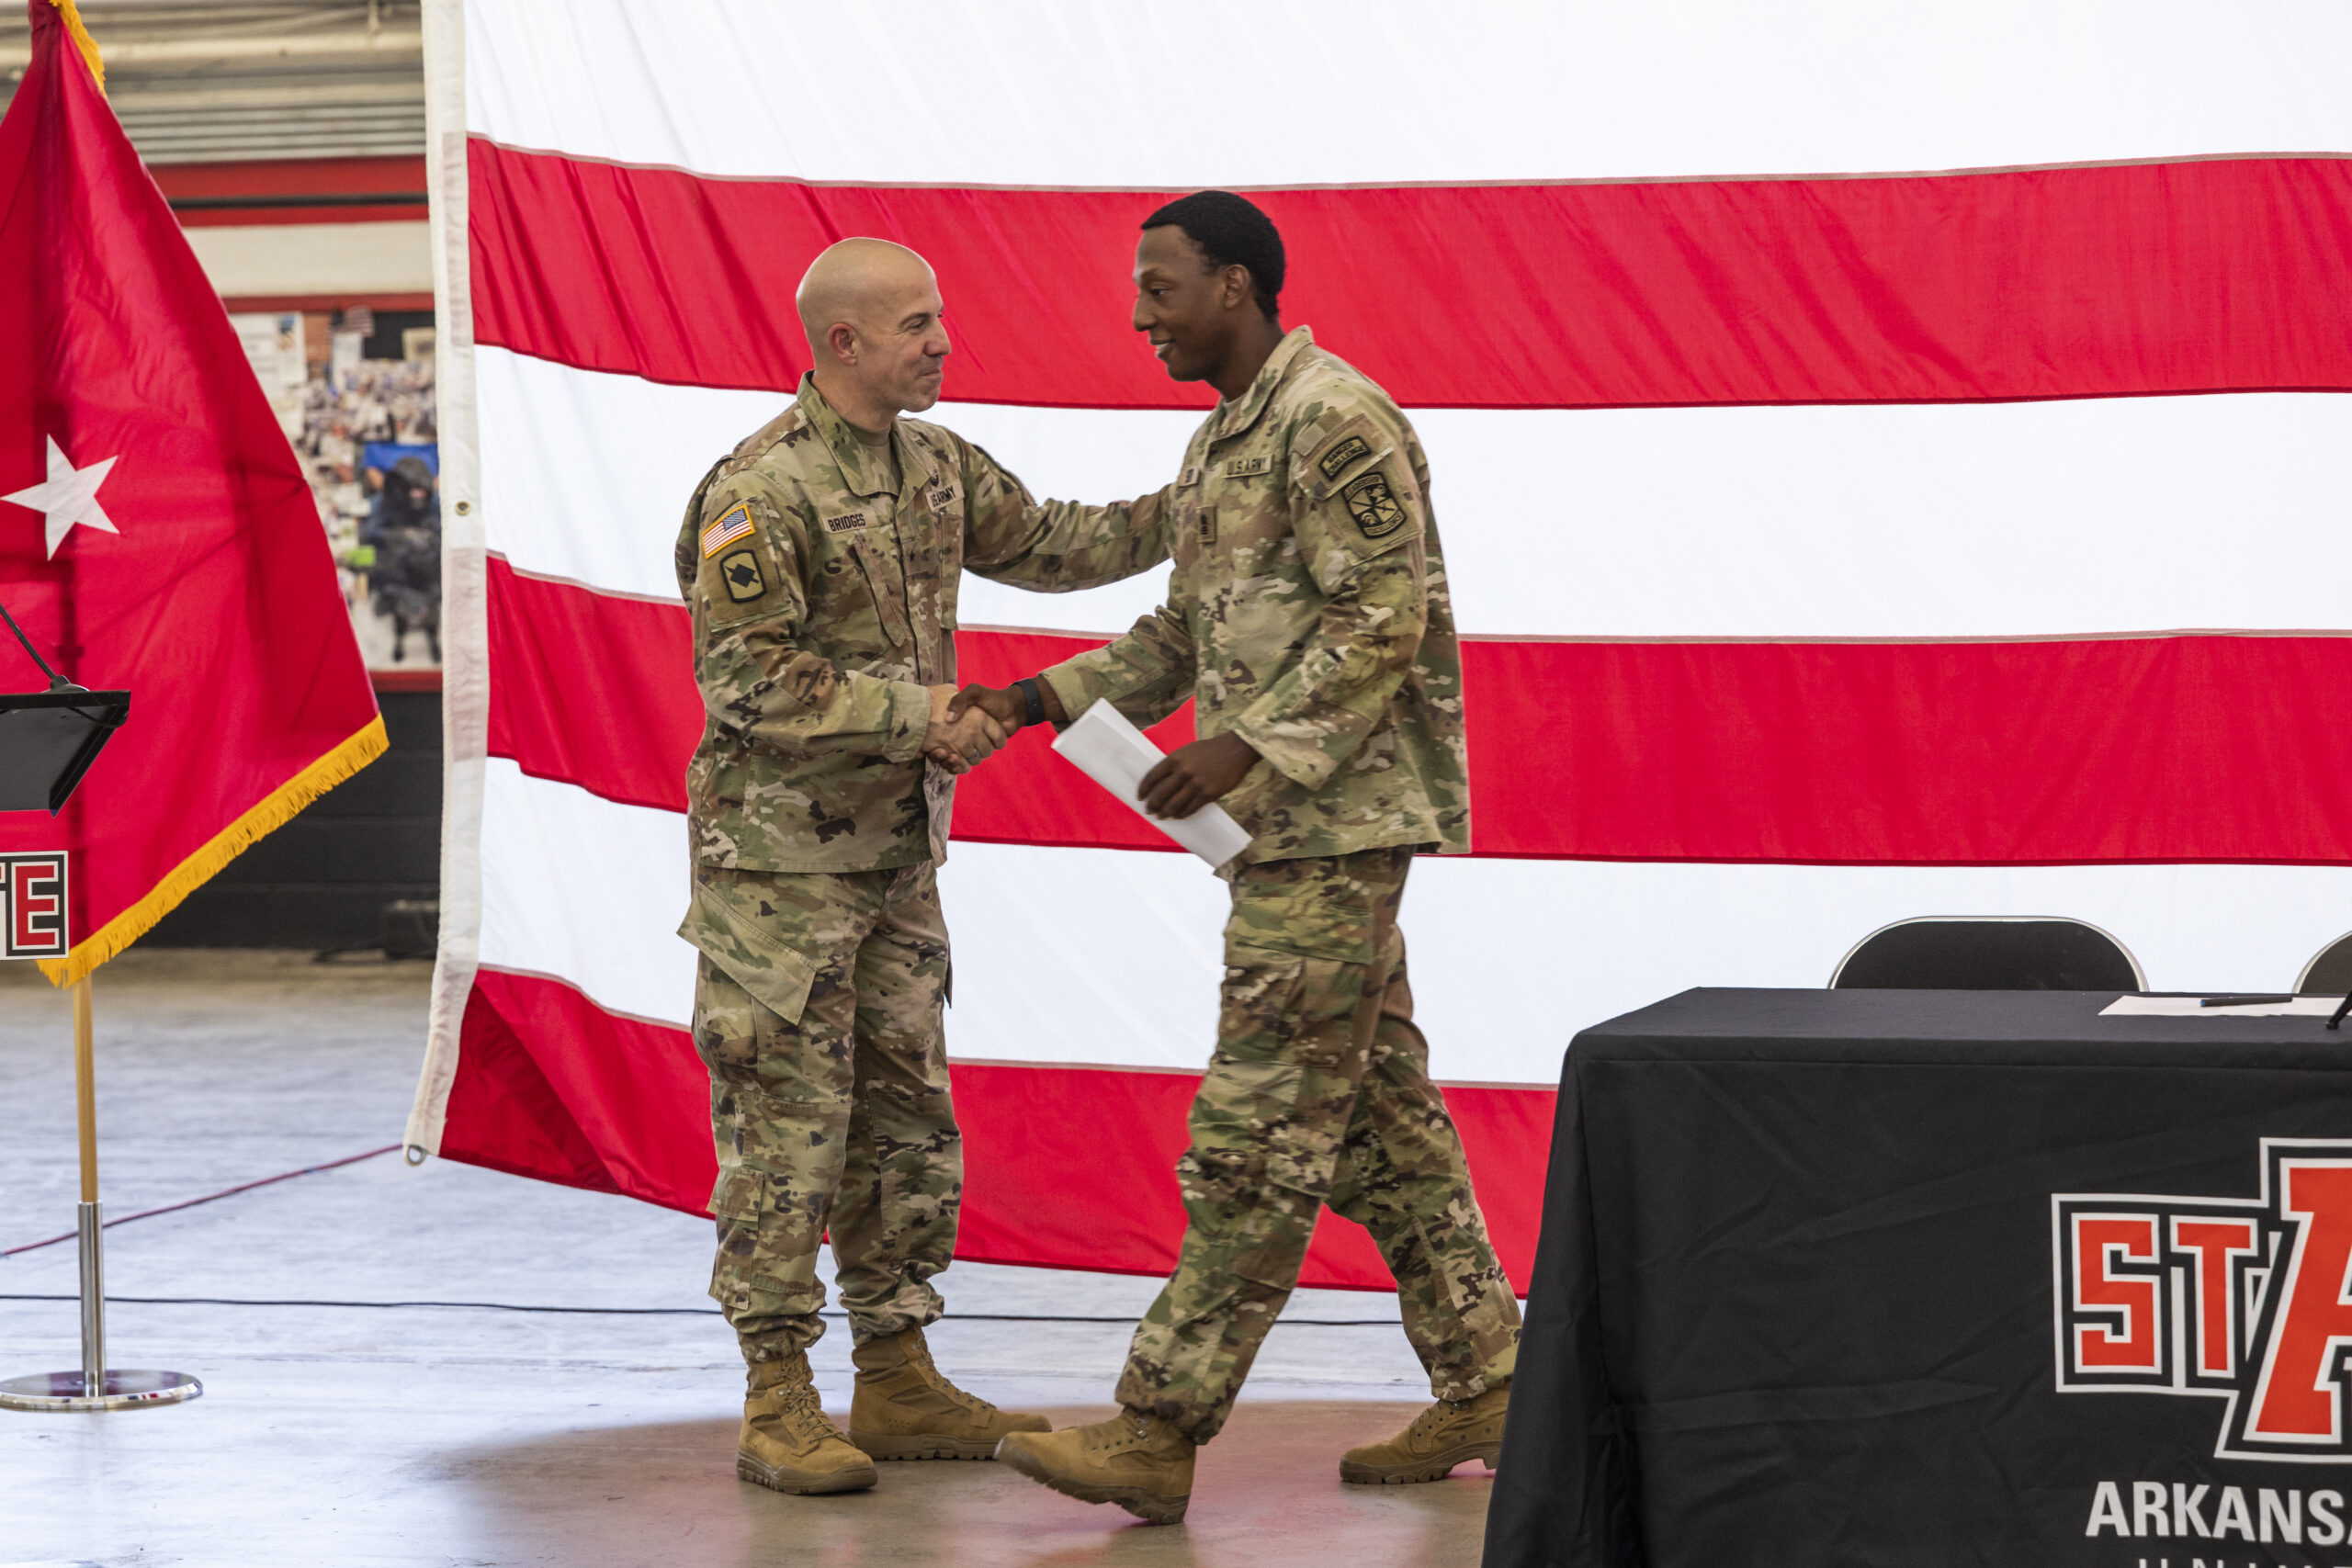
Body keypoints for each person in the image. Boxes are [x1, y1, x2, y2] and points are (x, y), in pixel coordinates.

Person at [955, 192, 1521, 1524]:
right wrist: (1039, 697)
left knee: (1257, 1133)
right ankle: (1492, 1374)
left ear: (1239, 284)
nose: (1139, 313)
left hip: (1338, 826)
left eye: (1161, 285)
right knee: (1382, 1124)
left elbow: (1389, 613)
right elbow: (1181, 637)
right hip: (1291, 834)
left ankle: (1157, 1427)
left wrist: (1246, 747)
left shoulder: (1335, 418)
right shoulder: (1224, 442)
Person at [674, 238, 1172, 1497]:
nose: (943, 340)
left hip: (895, 859)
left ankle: (893, 1368)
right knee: (788, 1127)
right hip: (780, 871)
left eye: (938, 316)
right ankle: (777, 1392)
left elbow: (1056, 541)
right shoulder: (758, 491)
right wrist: (917, 715)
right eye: (916, 323)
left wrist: (1196, 506)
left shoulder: (936, 465)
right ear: (842, 344)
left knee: (903, 1116)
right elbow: (744, 679)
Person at [362, 454, 441, 662]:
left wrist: (429, 538)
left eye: (421, 492)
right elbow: (371, 531)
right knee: (400, 612)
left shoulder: (433, 501)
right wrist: (404, 535)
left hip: (427, 569)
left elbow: (446, 529)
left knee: (431, 613)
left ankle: (434, 643)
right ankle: (399, 642)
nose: (417, 497)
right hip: (398, 568)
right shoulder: (383, 501)